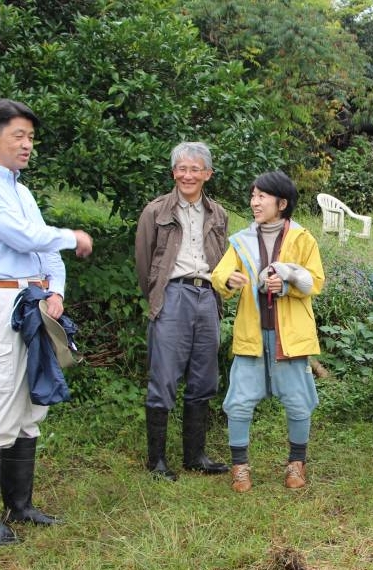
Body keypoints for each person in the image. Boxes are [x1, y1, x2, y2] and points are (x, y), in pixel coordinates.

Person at [0, 99, 94, 545]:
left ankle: (21, 505)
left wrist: (57, 291)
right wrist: (74, 236)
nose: (27, 144)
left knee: (30, 406)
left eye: (31, 137)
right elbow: (23, 237)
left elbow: (44, 250)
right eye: (19, 135)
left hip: (34, 303)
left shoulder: (20, 190)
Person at [211, 171, 325, 492]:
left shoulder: (303, 239)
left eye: (262, 196)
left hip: (291, 337)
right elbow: (219, 275)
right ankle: (240, 468)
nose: (254, 202)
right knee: (239, 402)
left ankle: (296, 464)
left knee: (299, 401)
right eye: (253, 196)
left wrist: (286, 285)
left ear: (282, 203)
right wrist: (229, 280)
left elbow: (315, 281)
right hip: (251, 335)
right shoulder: (241, 240)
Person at [135, 141, 229, 481]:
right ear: (174, 172)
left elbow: (222, 261)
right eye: (182, 168)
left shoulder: (218, 214)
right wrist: (159, 295)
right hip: (172, 295)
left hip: (208, 298)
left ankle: (195, 455)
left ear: (207, 174)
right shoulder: (155, 211)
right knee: (164, 376)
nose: (188, 175)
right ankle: (157, 461)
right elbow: (144, 262)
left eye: (195, 169)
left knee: (204, 377)